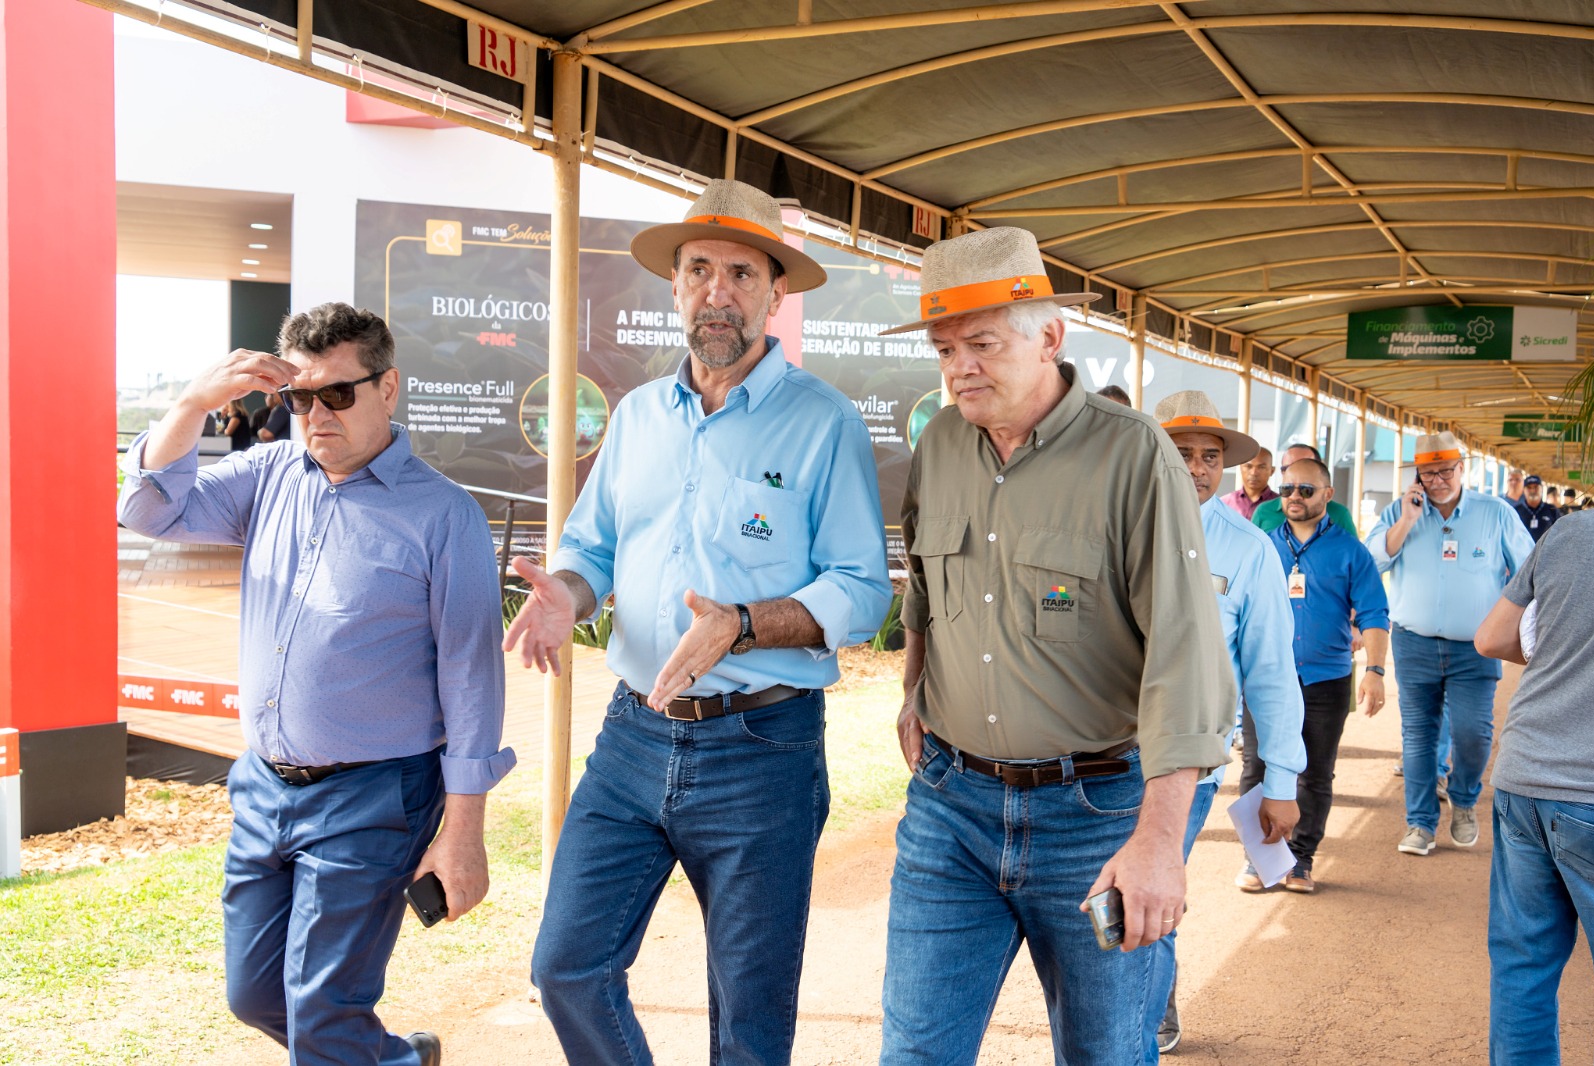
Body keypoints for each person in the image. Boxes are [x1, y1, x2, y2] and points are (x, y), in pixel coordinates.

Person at [507, 180, 891, 1065]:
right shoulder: (640, 415)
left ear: (774, 292)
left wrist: (745, 625)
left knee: (748, 1024)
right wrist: (569, 591)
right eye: (700, 270)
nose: (719, 290)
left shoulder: (823, 422)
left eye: (742, 273)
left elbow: (864, 589)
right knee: (567, 967)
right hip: (632, 737)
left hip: (762, 749)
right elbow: (591, 547)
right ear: (676, 286)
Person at [118, 302, 514, 1066]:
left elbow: (472, 679)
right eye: (299, 397)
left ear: (388, 388)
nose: (315, 415)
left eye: (337, 394)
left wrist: (463, 835)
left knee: (324, 1011)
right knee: (256, 994)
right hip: (264, 787)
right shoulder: (267, 475)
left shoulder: (444, 515)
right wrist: (189, 405)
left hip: (375, 796)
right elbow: (146, 511)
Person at [878, 226, 1234, 1065]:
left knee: (1106, 1054)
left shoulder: (1134, 455)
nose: (960, 365)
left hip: (1095, 816)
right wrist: (912, 688)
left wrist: (1158, 842)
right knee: (914, 1054)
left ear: (1050, 336)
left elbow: (1185, 653)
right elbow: (925, 594)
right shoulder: (939, 447)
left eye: (982, 342)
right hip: (950, 810)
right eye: (944, 348)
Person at [1150, 391, 1305, 1055]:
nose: (1198, 468)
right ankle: (1133, 987)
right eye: (1181, 453)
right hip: (1091, 751)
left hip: (1187, 760)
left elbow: (1271, 670)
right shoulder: (1103, 522)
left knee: (1154, 881)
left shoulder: (1248, 550)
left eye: (1210, 456)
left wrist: (1283, 778)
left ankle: (1148, 998)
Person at [1364, 431, 1532, 856]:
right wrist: (1406, 520)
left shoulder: (1495, 513)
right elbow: (1372, 562)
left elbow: (1530, 570)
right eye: (1428, 472)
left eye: (1445, 470)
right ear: (1417, 475)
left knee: (1473, 733)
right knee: (1418, 737)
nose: (1437, 480)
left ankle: (1462, 800)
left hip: (1475, 646)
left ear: (1463, 468)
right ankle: (1419, 824)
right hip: (1413, 642)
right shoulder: (1399, 512)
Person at [1474, 507, 1594, 1064]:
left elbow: (1491, 637)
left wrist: (1565, 653)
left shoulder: (1571, 529)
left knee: (1523, 967)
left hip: (1524, 773)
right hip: (1592, 789)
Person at [1262, 455, 1390, 892]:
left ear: (1328, 495)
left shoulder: (1350, 552)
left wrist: (1374, 669)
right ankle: (1261, 857)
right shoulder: (1263, 544)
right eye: (1286, 489)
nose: (1294, 497)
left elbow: (1374, 611)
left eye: (1305, 490)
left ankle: (1300, 859)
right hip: (1268, 678)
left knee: (1314, 772)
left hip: (1327, 678)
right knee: (1259, 766)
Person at [1250, 442, 1357, 536]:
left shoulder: (1339, 514)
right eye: (1287, 468)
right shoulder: (1264, 511)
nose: (1295, 472)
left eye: (1304, 466)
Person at [1221, 446, 1278, 521]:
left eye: (1261, 467)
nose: (1254, 473)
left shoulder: (1280, 505)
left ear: (1272, 471)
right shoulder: (1225, 503)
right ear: (1240, 468)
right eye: (1248, 466)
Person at [1512, 474, 1561, 543]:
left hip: (1546, 551)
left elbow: (1560, 532)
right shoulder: (1516, 511)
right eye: (1529, 487)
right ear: (1524, 490)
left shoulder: (1552, 510)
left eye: (1536, 487)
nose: (1532, 490)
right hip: (1523, 552)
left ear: (1541, 489)